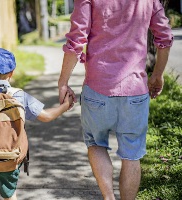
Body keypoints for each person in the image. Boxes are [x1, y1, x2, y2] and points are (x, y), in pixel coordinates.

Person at [58, 1, 173, 200]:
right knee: (132, 153)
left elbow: (77, 37)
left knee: (95, 143)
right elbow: (164, 36)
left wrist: (63, 82)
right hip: (135, 91)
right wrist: (158, 74)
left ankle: (109, 197)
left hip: (97, 89)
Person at [0, 48, 73, 200]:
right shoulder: (19, 96)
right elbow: (46, 117)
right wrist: (65, 105)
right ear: (12, 73)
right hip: (10, 159)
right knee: (10, 195)